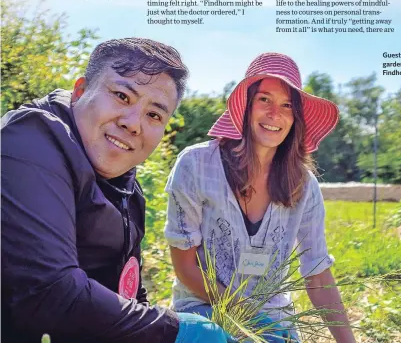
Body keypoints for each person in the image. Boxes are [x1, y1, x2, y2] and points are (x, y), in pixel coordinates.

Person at [1, 38, 233, 343]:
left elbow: (127, 290)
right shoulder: (28, 142)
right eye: (122, 96)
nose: (133, 123)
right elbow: (48, 292)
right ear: (81, 90)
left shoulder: (128, 190)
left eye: (154, 115)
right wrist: (174, 329)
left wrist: (161, 319)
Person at [164, 53, 356, 342]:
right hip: (206, 311)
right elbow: (185, 266)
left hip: (273, 320)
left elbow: (317, 274)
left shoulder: (304, 186)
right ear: (245, 107)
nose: (274, 113)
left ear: (295, 118)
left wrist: (347, 341)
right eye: (264, 99)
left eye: (287, 105)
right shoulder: (197, 166)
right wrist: (245, 319)